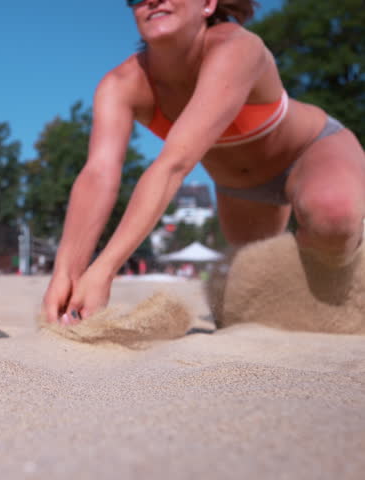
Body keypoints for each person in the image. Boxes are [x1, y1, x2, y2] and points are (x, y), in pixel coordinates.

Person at [42, 0, 365, 325]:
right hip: (242, 191)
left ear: (209, 4)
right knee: (236, 312)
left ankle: (341, 279)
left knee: (332, 215)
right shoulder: (121, 85)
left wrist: (104, 270)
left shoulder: (238, 48)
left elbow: (174, 165)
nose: (152, 0)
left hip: (312, 150)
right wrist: (66, 274)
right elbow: (98, 175)